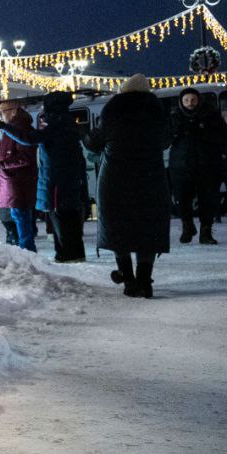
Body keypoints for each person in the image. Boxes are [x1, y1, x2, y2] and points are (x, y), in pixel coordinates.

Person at [84, 74, 171, 298]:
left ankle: (128, 279)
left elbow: (94, 142)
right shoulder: (157, 111)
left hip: (116, 178)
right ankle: (144, 280)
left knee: (118, 227)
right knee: (147, 228)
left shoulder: (113, 110)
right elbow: (166, 141)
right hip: (150, 178)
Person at [0, 91, 89, 262]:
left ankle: (68, 256)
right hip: (64, 178)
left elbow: (30, 139)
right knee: (65, 217)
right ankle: (69, 255)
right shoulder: (66, 123)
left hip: (59, 180)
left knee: (62, 217)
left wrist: (5, 127)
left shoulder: (58, 125)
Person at [167, 87, 227, 244]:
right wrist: (176, 132)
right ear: (181, 102)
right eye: (186, 100)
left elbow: (222, 136)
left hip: (207, 164)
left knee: (208, 199)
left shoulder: (210, 116)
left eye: (193, 100)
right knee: (181, 199)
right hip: (181, 165)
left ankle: (205, 232)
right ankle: (187, 226)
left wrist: (203, 131)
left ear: (198, 100)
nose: (190, 103)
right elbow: (165, 139)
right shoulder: (175, 118)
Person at [0, 101, 39, 252]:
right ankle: (26, 252)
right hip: (13, 183)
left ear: (14, 112)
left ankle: (28, 253)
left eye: (1, 112)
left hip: (19, 183)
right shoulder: (10, 130)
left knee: (21, 218)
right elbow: (4, 154)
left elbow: (25, 158)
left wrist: (1, 165)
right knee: (19, 218)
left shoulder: (20, 130)